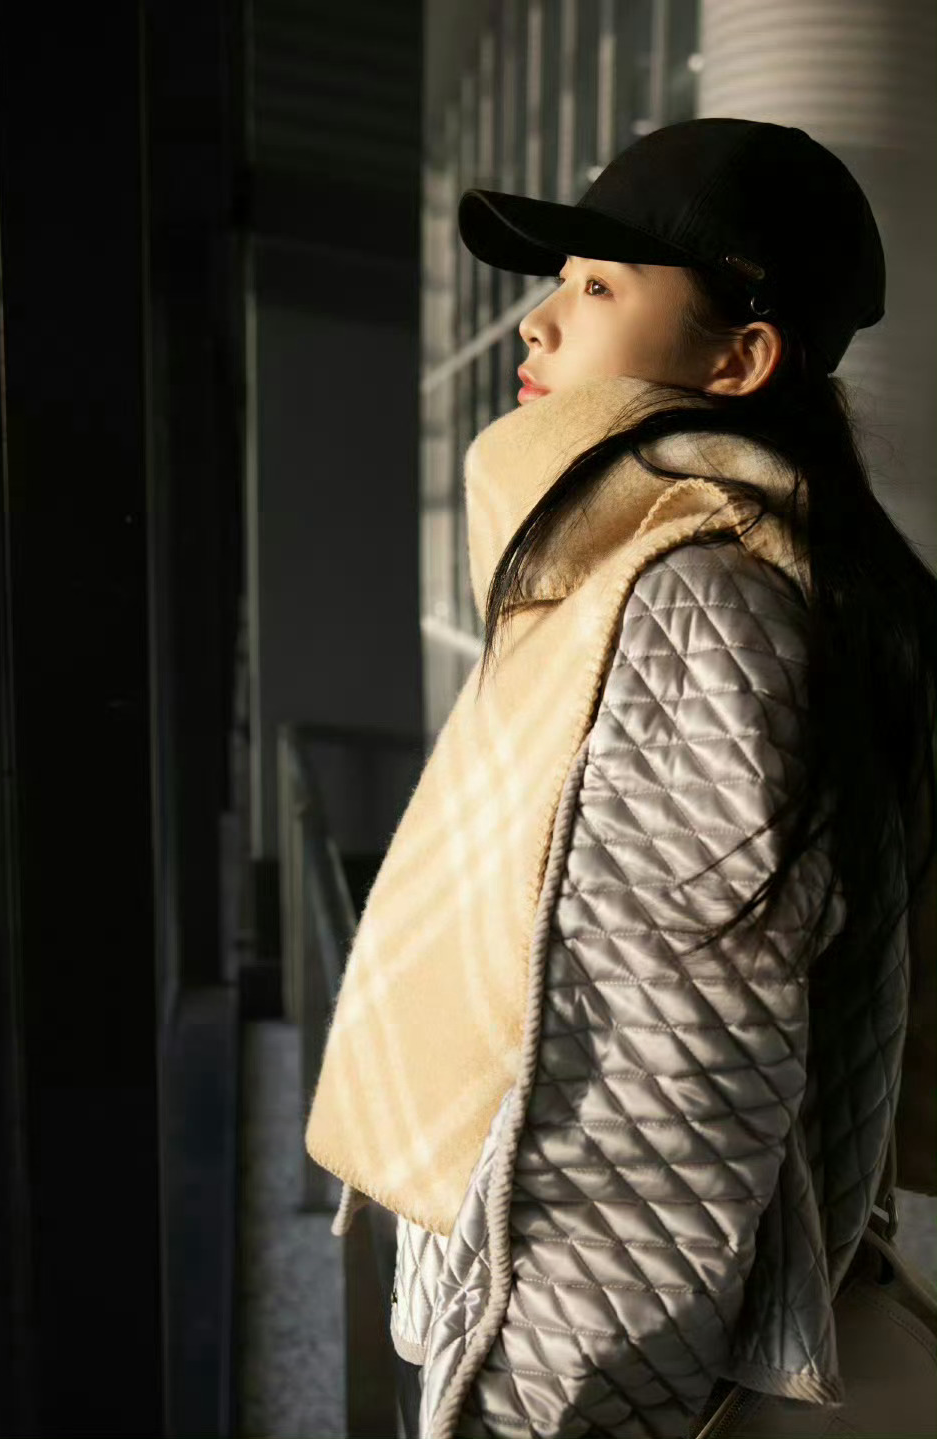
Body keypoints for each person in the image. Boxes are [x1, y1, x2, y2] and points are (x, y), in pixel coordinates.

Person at [307, 118, 937, 1439]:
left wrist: (541, 1416)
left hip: (562, 1366)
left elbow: (656, 1101)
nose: (537, 323)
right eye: (560, 281)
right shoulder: (684, 563)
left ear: (738, 359)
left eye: (597, 287)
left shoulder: (697, 601)